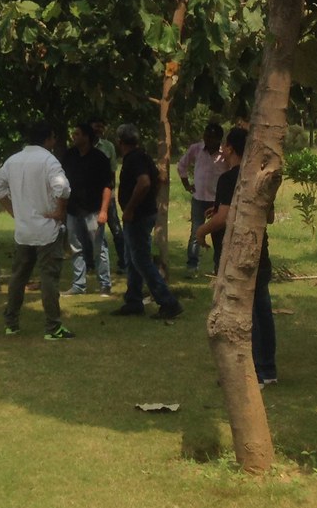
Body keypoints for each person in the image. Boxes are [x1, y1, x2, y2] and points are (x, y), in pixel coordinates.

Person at [195, 127, 276, 384]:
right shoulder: (259, 178)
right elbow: (269, 216)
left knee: (247, 314)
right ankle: (268, 369)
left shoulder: (230, 178)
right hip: (259, 249)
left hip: (236, 254)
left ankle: (254, 371)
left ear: (229, 148)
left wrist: (201, 231)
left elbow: (224, 217)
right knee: (262, 309)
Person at [0, 122, 73, 339]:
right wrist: (60, 212)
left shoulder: (13, 160)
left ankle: (11, 323)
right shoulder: (49, 160)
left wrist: (14, 211)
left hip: (24, 230)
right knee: (49, 278)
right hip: (47, 230)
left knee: (18, 277)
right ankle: (53, 327)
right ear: (48, 138)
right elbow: (63, 188)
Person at [111, 124, 184, 320]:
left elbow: (144, 182)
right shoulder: (143, 156)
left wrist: (130, 208)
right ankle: (133, 300)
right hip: (144, 213)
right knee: (132, 258)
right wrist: (151, 199)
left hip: (138, 216)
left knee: (141, 260)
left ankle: (168, 302)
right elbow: (159, 179)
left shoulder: (134, 158)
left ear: (120, 142)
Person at [61, 122, 114, 297]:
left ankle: (105, 284)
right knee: (76, 247)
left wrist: (104, 210)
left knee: (99, 248)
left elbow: (107, 186)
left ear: (86, 137)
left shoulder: (100, 158)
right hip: (73, 209)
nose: (73, 137)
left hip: (93, 210)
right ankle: (78, 285)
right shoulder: (69, 156)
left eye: (77, 134)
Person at [177, 122, 225, 275]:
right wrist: (187, 185)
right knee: (196, 232)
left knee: (218, 235)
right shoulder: (196, 149)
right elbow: (182, 165)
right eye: (206, 136)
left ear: (219, 139)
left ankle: (219, 267)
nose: (207, 140)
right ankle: (192, 265)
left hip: (217, 201)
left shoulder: (224, 154)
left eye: (211, 137)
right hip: (198, 199)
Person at [90, 117, 127, 271]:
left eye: (102, 126)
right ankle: (90, 263)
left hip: (106, 194)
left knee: (116, 229)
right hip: (89, 196)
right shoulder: (84, 145)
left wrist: (111, 192)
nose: (99, 129)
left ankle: (124, 262)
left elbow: (112, 172)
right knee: (90, 230)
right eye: (96, 126)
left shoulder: (108, 146)